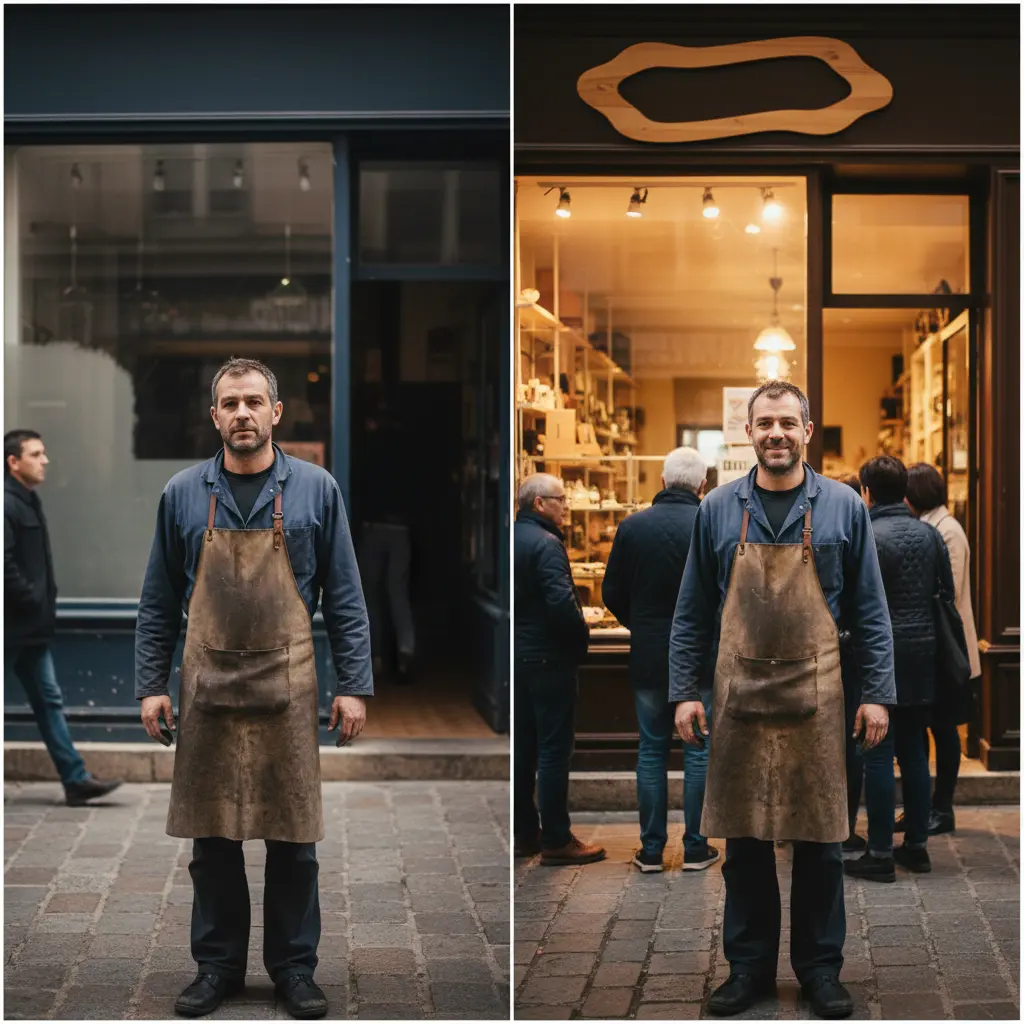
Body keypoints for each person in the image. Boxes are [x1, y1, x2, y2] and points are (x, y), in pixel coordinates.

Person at [135, 358, 373, 1020]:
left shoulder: (317, 490)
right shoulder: (182, 493)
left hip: (288, 683)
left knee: (293, 839)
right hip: (206, 684)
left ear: (277, 413)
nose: (242, 413)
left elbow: (347, 596)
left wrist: (354, 685)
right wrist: (150, 684)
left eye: (254, 402)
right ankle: (216, 968)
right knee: (212, 841)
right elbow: (157, 600)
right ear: (214, 417)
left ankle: (295, 969)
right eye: (230, 403)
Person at [669, 381, 895, 1020]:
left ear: (806, 430)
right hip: (737, 696)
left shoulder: (844, 506)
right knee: (743, 843)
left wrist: (876, 694)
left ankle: (821, 970)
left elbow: (871, 610)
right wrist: (685, 690)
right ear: (748, 432)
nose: (775, 434)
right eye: (764, 423)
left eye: (786, 423)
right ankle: (747, 969)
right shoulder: (716, 508)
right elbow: (690, 613)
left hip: (819, 695)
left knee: (822, 841)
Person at [602, 447, 718, 874]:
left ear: (664, 480)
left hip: (649, 655)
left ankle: (651, 850)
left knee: (650, 751)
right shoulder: (710, 523)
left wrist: (642, 626)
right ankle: (695, 847)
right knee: (698, 751)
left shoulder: (633, 526)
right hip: (702, 657)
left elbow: (610, 591)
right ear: (702, 484)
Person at [844, 456, 955, 884]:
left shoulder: (865, 533)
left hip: (877, 654)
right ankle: (917, 847)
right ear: (904, 489)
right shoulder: (929, 534)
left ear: (866, 492)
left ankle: (878, 852)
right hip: (923, 651)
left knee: (875, 752)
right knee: (914, 752)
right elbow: (942, 591)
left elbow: (852, 600)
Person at [4, 429, 123, 807]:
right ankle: (74, 778)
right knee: (49, 700)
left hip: (30, 630)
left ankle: (75, 780)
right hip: (12, 626)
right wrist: (31, 597)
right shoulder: (7, 504)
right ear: (13, 462)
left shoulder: (26, 500)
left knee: (49, 700)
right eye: (36, 454)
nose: (45, 460)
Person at [513, 472, 605, 866]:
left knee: (524, 749)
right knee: (553, 751)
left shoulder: (514, 538)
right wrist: (581, 637)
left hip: (519, 657)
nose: (566, 506)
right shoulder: (547, 544)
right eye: (560, 499)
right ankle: (555, 837)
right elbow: (562, 607)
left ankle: (524, 833)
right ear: (539, 503)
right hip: (549, 659)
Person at [904, 462, 981, 835]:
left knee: (944, 730)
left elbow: (943, 595)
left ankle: (942, 807)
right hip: (934, 648)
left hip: (947, 649)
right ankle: (927, 807)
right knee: (930, 727)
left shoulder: (946, 530)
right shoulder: (934, 525)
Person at [356, 397, 415, 683]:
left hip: (374, 526)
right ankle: (406, 651)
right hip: (401, 527)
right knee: (398, 592)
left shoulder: (368, 449)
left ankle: (376, 657)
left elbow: (360, 486)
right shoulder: (407, 450)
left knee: (372, 595)